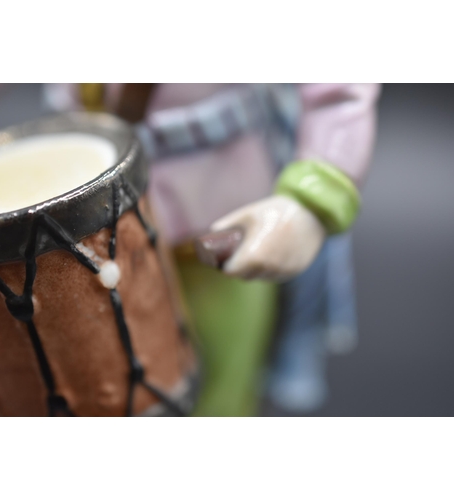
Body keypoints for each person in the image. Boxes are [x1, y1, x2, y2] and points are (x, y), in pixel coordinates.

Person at [45, 83, 380, 415]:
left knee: (218, 386)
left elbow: (340, 91)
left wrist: (312, 199)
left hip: (212, 220)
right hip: (84, 217)